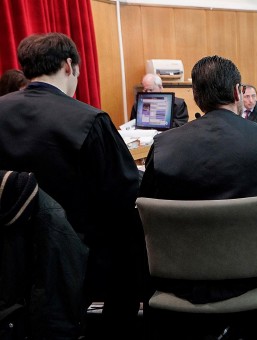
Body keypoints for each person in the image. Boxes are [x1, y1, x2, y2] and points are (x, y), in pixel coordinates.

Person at [139, 55, 257, 339]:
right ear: (236, 92)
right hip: (252, 277)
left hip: (178, 277)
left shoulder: (163, 145)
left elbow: (145, 199)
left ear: (196, 97)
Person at [0, 33, 143, 337]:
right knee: (132, 240)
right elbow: (125, 192)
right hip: (79, 259)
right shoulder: (88, 120)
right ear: (70, 66)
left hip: (9, 257)